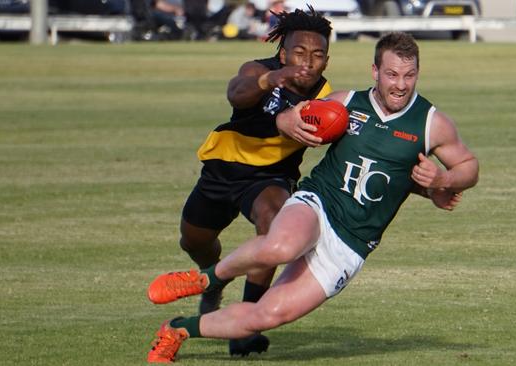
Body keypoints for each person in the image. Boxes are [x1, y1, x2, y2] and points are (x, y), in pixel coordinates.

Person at [146, 32, 479, 363]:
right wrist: (286, 119)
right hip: (318, 204)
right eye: (392, 74)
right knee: (281, 245)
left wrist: (442, 180)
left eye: (409, 75)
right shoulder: (346, 103)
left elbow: (468, 167)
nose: (400, 85)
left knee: (268, 315)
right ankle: (206, 278)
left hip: (350, 244)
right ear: (375, 71)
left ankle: (178, 329)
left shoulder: (431, 123)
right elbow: (294, 117)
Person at [146, 6, 334, 358]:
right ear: (282, 53)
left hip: (270, 177)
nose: (307, 62)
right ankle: (213, 281)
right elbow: (237, 92)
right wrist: (268, 81)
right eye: (299, 52)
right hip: (223, 170)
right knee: (194, 240)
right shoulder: (259, 70)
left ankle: (247, 323)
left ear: (326, 61)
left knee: (273, 226)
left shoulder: (325, 96)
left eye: (317, 55)